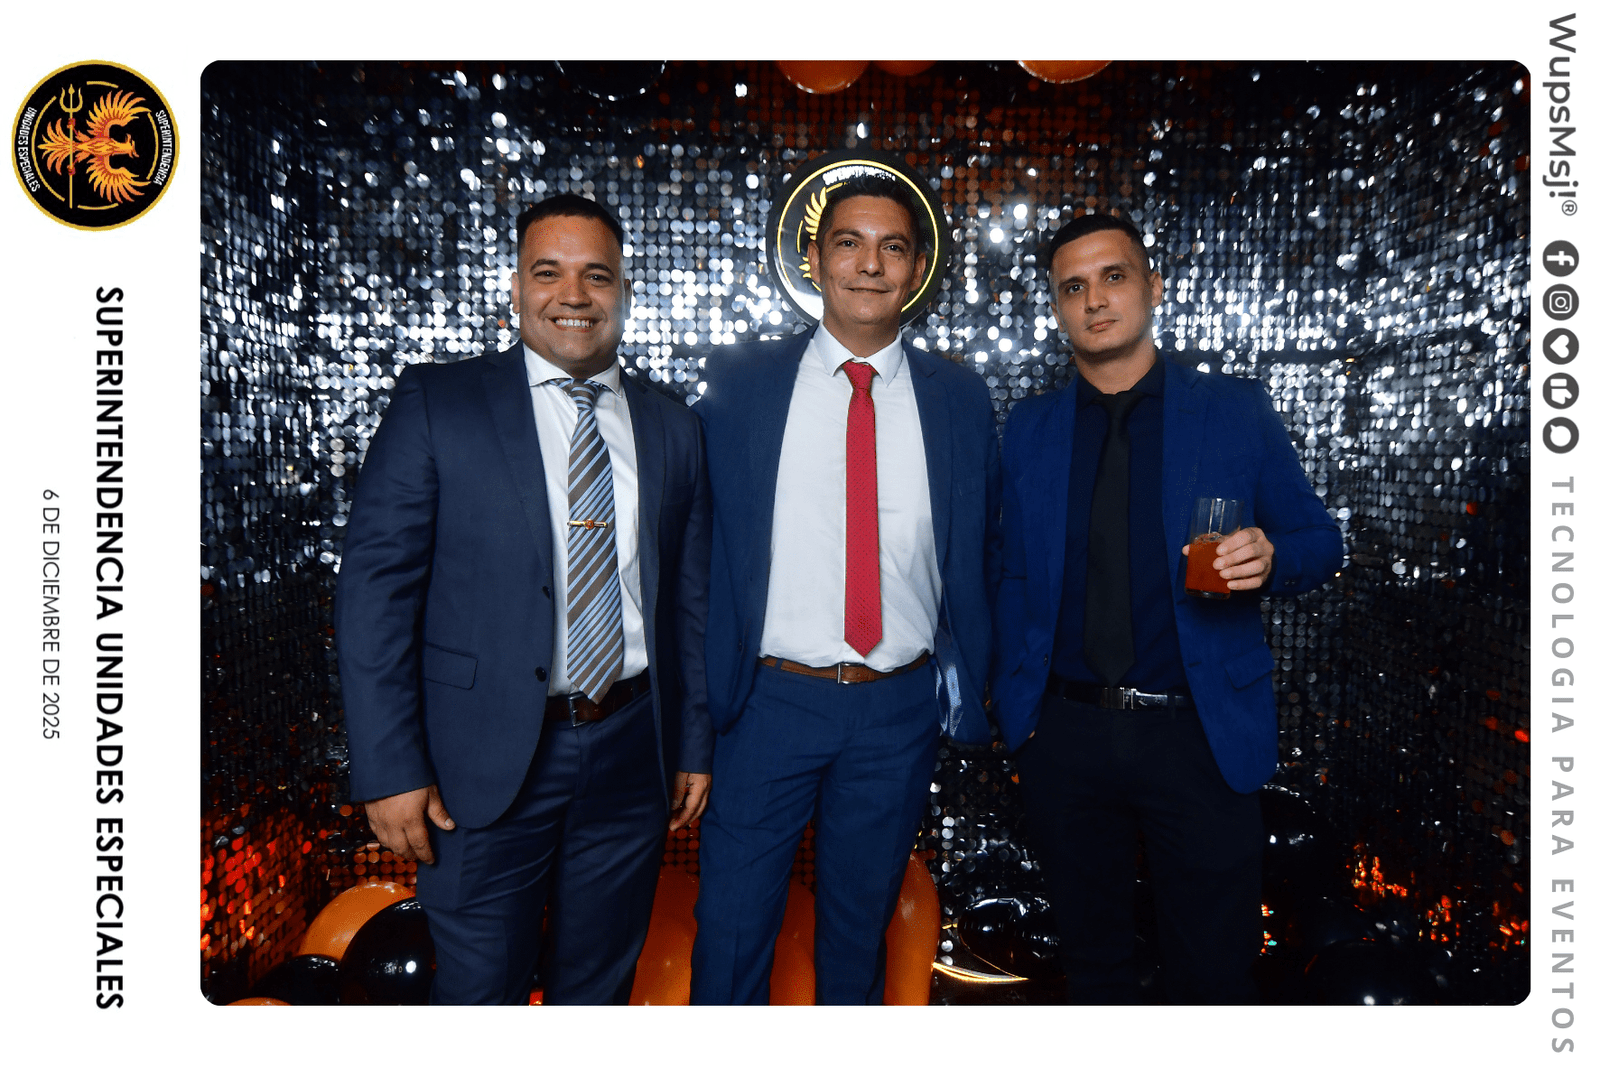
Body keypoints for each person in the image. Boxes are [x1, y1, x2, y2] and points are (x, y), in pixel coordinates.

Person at [335, 194, 713, 1005]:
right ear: (515, 288)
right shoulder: (438, 403)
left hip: (631, 752)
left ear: (624, 290)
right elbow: (375, 593)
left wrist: (692, 742)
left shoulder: (672, 426)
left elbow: (689, 602)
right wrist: (389, 766)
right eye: (549, 273)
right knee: (481, 993)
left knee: (599, 993)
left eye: (597, 276)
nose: (574, 295)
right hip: (479, 762)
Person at [991, 212, 1342, 1004]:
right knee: (1093, 972)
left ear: (1152, 287)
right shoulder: (1032, 429)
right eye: (1072, 288)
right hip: (1066, 734)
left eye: (1113, 277)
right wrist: (1019, 713)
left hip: (1198, 732)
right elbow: (1010, 573)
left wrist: (1273, 556)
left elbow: (1321, 541)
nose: (1095, 300)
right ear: (1058, 309)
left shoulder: (1232, 410)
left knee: (1212, 976)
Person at [690, 173, 1000, 1004]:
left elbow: (985, 547)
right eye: (849, 244)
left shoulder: (960, 399)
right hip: (767, 703)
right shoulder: (741, 384)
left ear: (917, 267)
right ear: (817, 260)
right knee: (731, 930)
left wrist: (975, 684)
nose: (870, 265)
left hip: (897, 709)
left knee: (858, 936)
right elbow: (696, 543)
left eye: (891, 247)